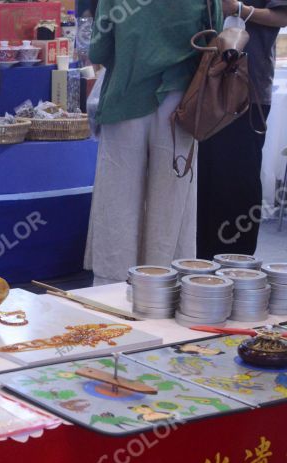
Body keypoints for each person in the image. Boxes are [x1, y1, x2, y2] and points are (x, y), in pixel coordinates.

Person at [84, 1, 222, 281]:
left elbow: (99, 50)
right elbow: (215, 36)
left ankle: (112, 287)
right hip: (181, 103)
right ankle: (169, 281)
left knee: (117, 199)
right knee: (173, 203)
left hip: (125, 99)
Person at [196, 0, 287, 259]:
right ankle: (202, 257)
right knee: (207, 174)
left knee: (239, 176)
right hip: (206, 83)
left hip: (249, 85)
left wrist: (239, 10)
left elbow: (282, 16)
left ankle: (237, 257)